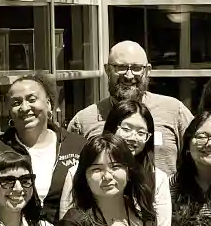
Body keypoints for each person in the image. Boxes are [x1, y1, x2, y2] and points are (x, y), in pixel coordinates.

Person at [62, 40, 195, 180]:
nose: (129, 75)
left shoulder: (174, 111)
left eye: (137, 68)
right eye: (121, 67)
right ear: (107, 70)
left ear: (147, 70)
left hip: (163, 199)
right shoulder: (83, 121)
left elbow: (196, 159)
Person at [0, 74, 70, 222]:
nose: (25, 108)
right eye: (16, 103)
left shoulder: (76, 146)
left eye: (32, 99)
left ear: (49, 104)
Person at [94, 94, 176, 226]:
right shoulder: (82, 171)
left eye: (141, 133)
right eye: (126, 129)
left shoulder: (157, 179)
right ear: (111, 128)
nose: (133, 137)